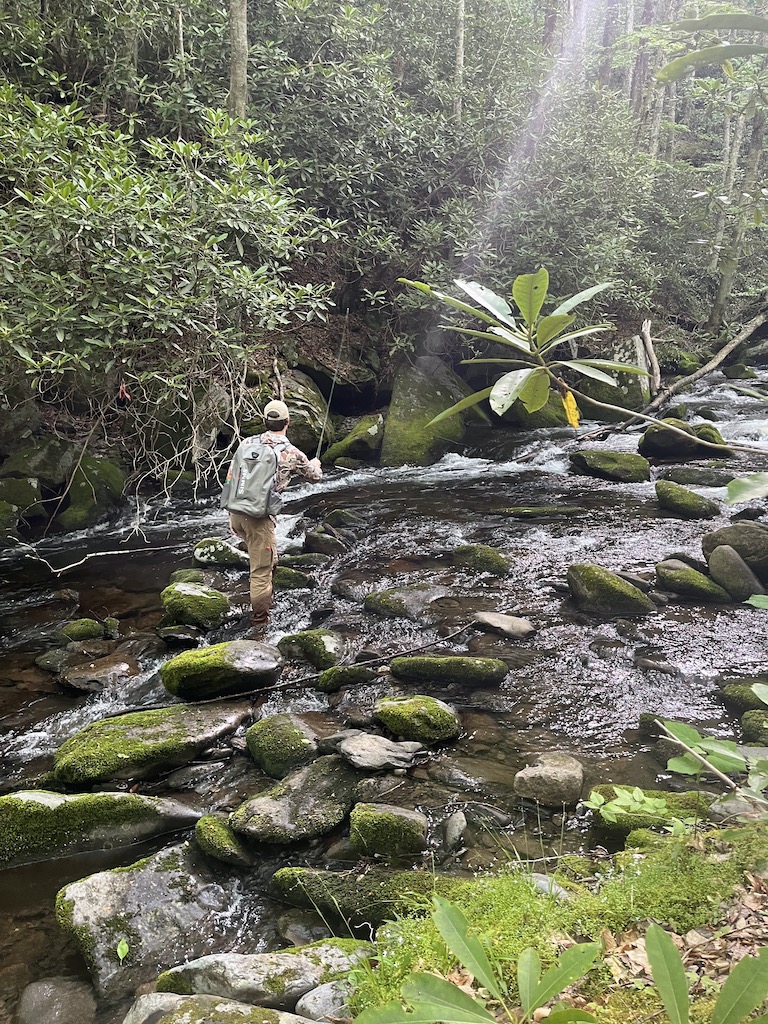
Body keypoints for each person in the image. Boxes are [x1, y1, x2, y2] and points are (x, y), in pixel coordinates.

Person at [227, 399, 322, 631]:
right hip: (259, 518)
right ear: (287, 422)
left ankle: (269, 598)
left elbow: (231, 477)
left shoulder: (246, 443)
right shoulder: (292, 453)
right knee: (260, 571)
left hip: (236, 511)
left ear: (264, 421)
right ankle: (260, 625)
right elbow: (314, 477)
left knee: (266, 559)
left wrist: (231, 514)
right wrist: (315, 463)